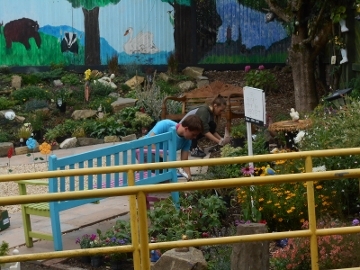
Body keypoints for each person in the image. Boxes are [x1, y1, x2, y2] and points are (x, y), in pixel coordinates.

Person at [142, 114, 203, 180]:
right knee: (162, 170)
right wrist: (164, 157)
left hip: (161, 157)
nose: (195, 137)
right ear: (186, 129)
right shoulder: (165, 124)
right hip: (144, 150)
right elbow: (148, 143)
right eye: (193, 134)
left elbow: (184, 161)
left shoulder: (188, 140)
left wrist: (189, 177)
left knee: (167, 172)